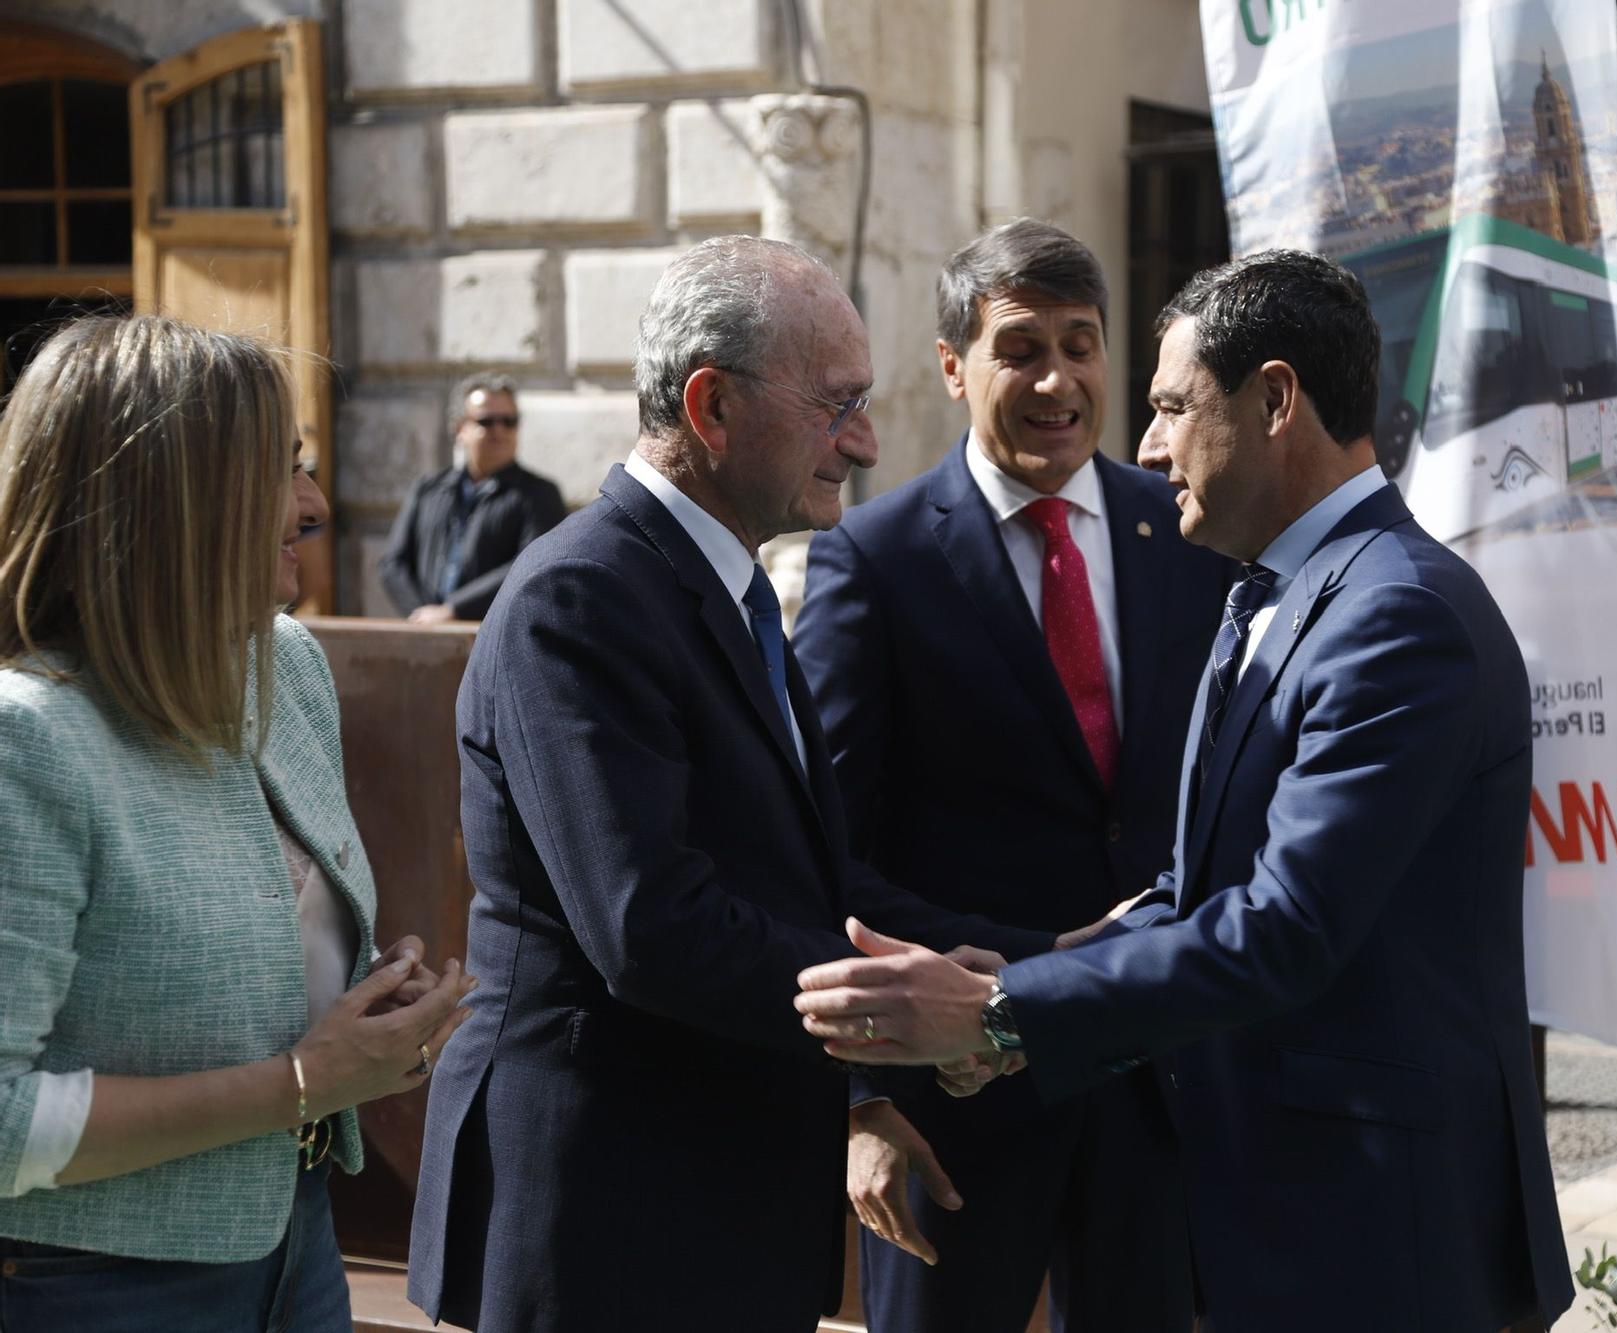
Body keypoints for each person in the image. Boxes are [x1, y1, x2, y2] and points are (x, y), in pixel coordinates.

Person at [795, 250, 1574, 1332]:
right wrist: (1036, 967)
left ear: (1273, 401)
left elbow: (1283, 924)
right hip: (1263, 1189)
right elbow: (1200, 881)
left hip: (1373, 1221)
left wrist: (999, 1010)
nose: (1146, 441)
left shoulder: (1396, 618)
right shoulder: (1283, 586)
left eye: (1167, 406)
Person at [405, 237, 1056, 1333]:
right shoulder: (584, 598)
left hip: (712, 1209)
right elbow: (649, 922)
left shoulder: (719, 585)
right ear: (711, 406)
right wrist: (912, 1019)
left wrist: (1040, 960)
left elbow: (810, 882)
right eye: (837, 403)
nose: (864, 439)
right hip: (609, 1226)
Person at [793, 219, 1227, 1331]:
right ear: (952, 367)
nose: (1056, 380)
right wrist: (863, 1097)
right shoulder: (873, 558)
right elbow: (820, 849)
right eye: (1020, 347)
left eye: (1079, 346)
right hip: (957, 1101)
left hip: (1154, 1078)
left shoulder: (1178, 530)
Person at [0, 315, 474, 1331]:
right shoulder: (28, 740)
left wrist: (375, 1024)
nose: (313, 504)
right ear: (172, 499)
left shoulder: (285, 664)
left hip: (296, 1244)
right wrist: (306, 1081)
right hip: (94, 1287)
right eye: (283, 467)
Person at [377, 371, 567, 622]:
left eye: (509, 421)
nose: (499, 431)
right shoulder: (428, 489)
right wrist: (422, 616)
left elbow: (531, 567)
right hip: (426, 635)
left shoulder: (538, 494)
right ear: (459, 428)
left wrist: (454, 610)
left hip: (495, 638)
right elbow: (393, 565)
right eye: (486, 421)